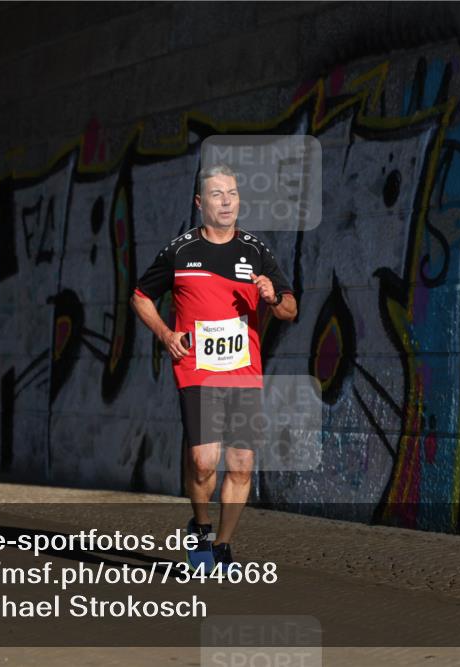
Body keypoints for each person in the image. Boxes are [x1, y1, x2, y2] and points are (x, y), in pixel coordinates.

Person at [131, 164, 298, 570]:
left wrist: (273, 297)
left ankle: (221, 546)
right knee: (204, 461)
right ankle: (201, 525)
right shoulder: (180, 250)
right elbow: (140, 296)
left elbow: (291, 310)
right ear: (200, 203)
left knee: (241, 464)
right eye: (218, 194)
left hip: (243, 370)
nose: (227, 201)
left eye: (233, 194)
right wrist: (166, 334)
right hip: (198, 370)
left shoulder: (256, 251)